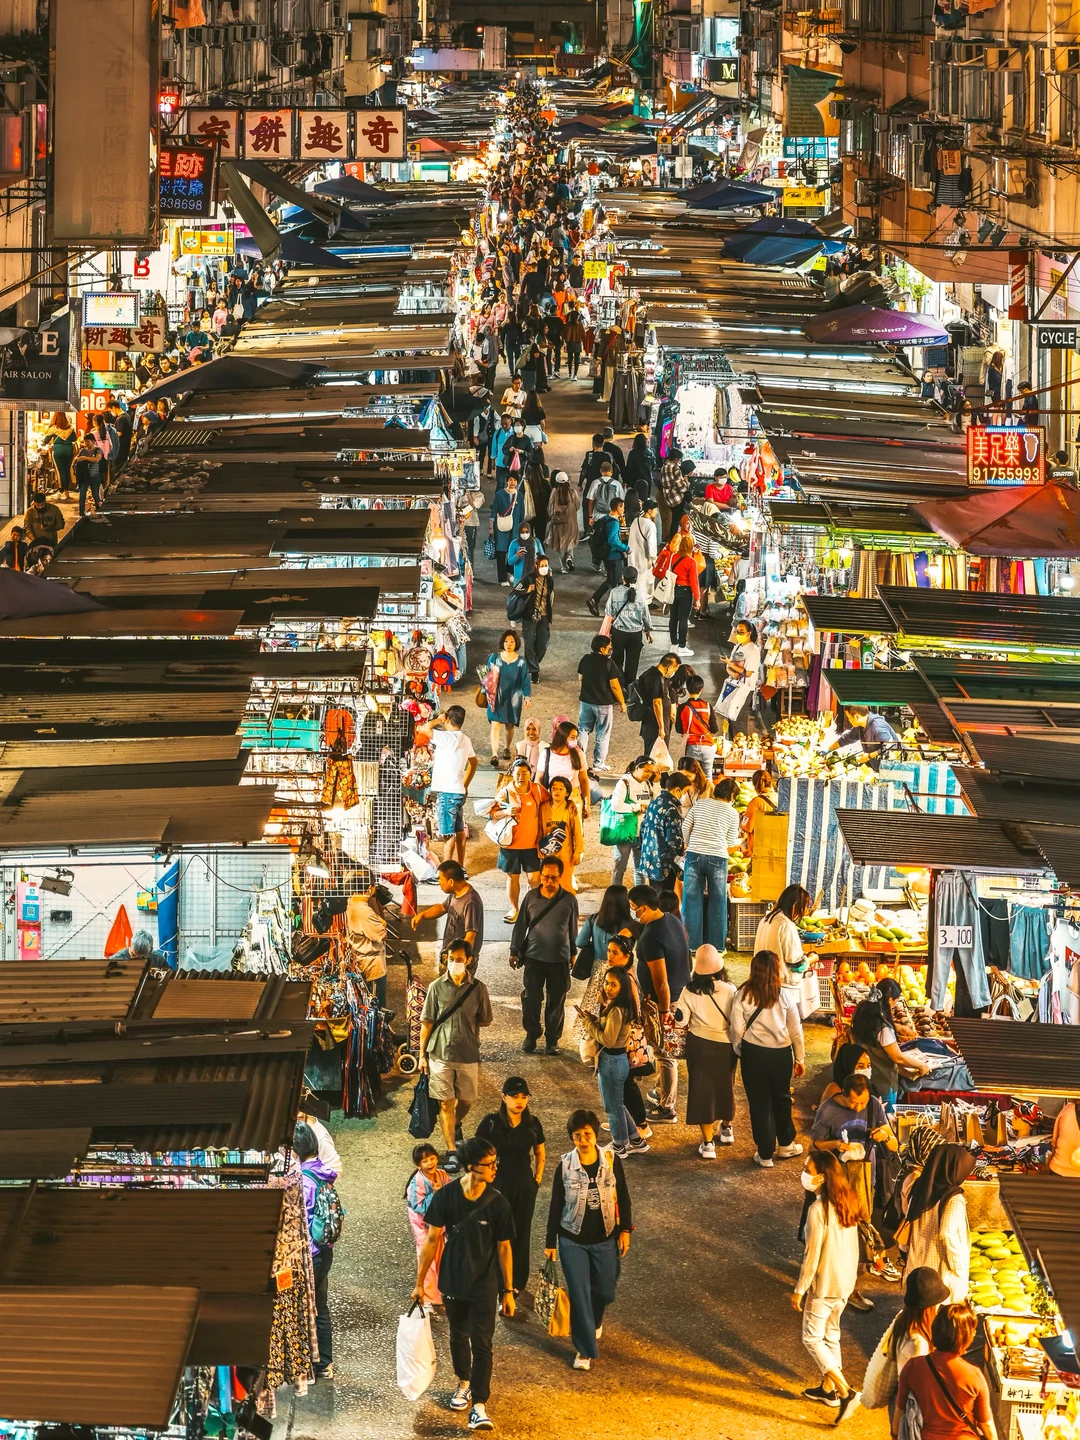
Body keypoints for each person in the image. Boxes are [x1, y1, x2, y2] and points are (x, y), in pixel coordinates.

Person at [413, 1135, 516, 1432]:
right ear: (472, 1167)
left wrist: (507, 1291)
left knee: (483, 1344)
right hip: (453, 1282)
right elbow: (431, 1240)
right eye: (489, 1163)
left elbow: (505, 1248)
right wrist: (420, 1284)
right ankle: (464, 1381)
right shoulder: (446, 1198)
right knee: (459, 1337)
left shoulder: (498, 1203)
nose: (495, 1168)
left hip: (485, 1286)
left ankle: (479, 1405)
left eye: (495, 1162)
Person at [544, 1108, 633, 1371]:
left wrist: (626, 1229)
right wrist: (550, 1243)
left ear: (595, 1134)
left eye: (587, 1134)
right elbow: (555, 1205)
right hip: (572, 1240)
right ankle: (584, 1350)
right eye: (577, 1135)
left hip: (606, 1238)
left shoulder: (611, 1159)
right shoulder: (565, 1166)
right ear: (571, 1138)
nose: (583, 1140)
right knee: (580, 1294)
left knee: (605, 1290)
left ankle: (593, 1320)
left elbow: (624, 1195)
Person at [793, 1151, 866, 1423]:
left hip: (824, 1284)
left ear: (822, 1177)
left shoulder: (817, 1210)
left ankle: (846, 1391)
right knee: (831, 1334)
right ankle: (828, 1390)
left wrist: (800, 1289)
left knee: (812, 1337)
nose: (805, 1173)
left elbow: (812, 1255)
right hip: (844, 1283)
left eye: (808, 1169)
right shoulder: (848, 1202)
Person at [419, 939, 494, 1173]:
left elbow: (486, 1018)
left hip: (468, 1053)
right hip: (440, 1053)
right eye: (450, 959)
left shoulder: (478, 989)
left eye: (459, 959)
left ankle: (456, 1124)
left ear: (469, 960)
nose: (454, 963)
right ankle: (452, 1149)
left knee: (467, 1099)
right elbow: (427, 1023)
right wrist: (422, 1055)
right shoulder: (436, 987)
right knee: (445, 1102)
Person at [731, 949, 805, 1168]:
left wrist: (739, 1050)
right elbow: (796, 1031)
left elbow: (736, 1029)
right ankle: (785, 1144)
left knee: (759, 1102)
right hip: (781, 1054)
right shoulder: (784, 995)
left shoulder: (742, 993)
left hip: (753, 1054)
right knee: (781, 1098)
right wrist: (799, 1058)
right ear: (776, 970)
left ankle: (765, 1154)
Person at [475, 1078, 546, 1296]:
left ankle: (516, 1281)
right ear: (503, 1097)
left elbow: (540, 1153)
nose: (520, 1101)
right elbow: (475, 1150)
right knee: (496, 1232)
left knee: (521, 1232)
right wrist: (480, 1181)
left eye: (524, 1097)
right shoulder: (491, 1122)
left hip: (524, 1185)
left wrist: (537, 1180)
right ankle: (494, 1279)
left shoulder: (533, 1123)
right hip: (497, 1185)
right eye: (515, 1096)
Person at [629, 883, 691, 1124]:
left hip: (665, 1001)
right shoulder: (672, 920)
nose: (634, 913)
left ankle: (667, 1108)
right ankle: (661, 1090)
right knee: (661, 1050)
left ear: (644, 908)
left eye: (635, 909)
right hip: (680, 993)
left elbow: (660, 981)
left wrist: (664, 1011)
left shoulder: (650, 937)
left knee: (665, 1055)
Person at [574, 965, 650, 1159]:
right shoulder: (617, 1007)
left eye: (613, 984)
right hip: (617, 1061)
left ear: (622, 986)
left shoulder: (617, 1011)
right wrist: (596, 1016)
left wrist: (588, 1023)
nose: (608, 987)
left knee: (612, 1107)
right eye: (606, 983)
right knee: (618, 1103)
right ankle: (635, 1140)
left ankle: (619, 1146)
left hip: (612, 1062)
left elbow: (607, 1039)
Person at [893, 1303, 998, 1440]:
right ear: (966, 1337)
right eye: (972, 1331)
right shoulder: (974, 1376)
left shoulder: (913, 1367)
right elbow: (985, 1424)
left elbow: (899, 1409)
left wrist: (895, 1434)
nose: (973, 1334)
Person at [673, 944, 737, 1158]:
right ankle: (726, 1129)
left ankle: (708, 1143)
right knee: (726, 1086)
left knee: (702, 1091)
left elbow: (680, 1022)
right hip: (725, 1045)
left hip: (699, 1046)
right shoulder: (730, 990)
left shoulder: (689, 990)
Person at [510, 855, 579, 1055]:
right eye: (546, 877)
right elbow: (521, 925)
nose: (549, 882)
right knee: (531, 999)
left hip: (560, 959)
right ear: (540, 875)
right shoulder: (531, 897)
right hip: (534, 958)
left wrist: (573, 953)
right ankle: (532, 1034)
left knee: (556, 1002)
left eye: (554, 878)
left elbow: (573, 930)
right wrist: (514, 951)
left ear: (560, 877)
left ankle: (552, 1040)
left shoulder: (569, 900)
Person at [862, 1268, 950, 1417]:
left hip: (900, 1403)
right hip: (910, 1410)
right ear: (929, 1308)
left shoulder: (904, 1318)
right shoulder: (917, 1344)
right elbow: (918, 1388)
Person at [902, 1144, 976, 1302]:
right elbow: (947, 1233)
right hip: (942, 1274)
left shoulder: (920, 1186)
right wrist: (959, 1265)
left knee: (918, 1317)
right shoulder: (954, 1198)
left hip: (918, 1267)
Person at [295, 1120, 339, 1380]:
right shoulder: (323, 1172)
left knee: (304, 1307)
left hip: (308, 1254)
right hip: (325, 1250)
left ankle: (307, 1362)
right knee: (321, 1307)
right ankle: (324, 1363)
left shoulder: (302, 1181)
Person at [681, 776, 742, 952]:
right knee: (718, 901)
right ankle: (716, 946)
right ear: (731, 795)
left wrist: (687, 845)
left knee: (691, 900)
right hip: (717, 858)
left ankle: (691, 945)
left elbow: (686, 827)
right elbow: (730, 842)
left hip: (694, 855)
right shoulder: (732, 813)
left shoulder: (701, 804)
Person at [413, 860, 485, 974]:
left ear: (451, 881)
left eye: (441, 879)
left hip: (459, 959)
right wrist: (422, 915)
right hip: (450, 954)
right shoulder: (455, 893)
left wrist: (459, 962)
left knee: (456, 991)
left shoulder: (471, 902)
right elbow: (442, 907)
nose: (439, 883)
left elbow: (471, 936)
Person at [427, 706, 478, 866]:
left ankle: (445, 871)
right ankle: (460, 867)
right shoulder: (466, 739)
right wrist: (465, 784)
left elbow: (424, 728)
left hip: (447, 793)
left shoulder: (446, 738)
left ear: (448, 719)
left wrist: (439, 719)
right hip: (458, 792)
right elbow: (474, 762)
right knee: (459, 832)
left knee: (448, 835)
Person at [406, 1143, 450, 1305]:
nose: (430, 1163)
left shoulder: (443, 1175)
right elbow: (419, 1206)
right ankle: (431, 1297)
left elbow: (450, 1194)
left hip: (439, 1222)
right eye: (425, 1161)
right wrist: (437, 1194)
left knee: (440, 1254)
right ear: (418, 1165)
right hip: (423, 1225)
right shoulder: (416, 1183)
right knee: (427, 1259)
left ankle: (441, 1290)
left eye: (432, 1158)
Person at [576, 634, 627, 774]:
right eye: (609, 648)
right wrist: (622, 702)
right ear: (603, 648)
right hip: (603, 704)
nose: (610, 650)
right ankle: (598, 764)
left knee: (583, 730)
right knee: (603, 733)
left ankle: (579, 760)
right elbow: (615, 685)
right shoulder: (608, 663)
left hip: (586, 701)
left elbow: (580, 678)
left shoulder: (585, 659)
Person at [484, 629, 531, 767]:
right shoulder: (495, 658)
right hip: (496, 698)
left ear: (516, 643)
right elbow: (487, 677)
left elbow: (525, 680)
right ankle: (494, 754)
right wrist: (486, 691)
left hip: (513, 699)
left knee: (509, 725)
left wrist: (527, 696)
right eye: (506, 641)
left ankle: (507, 747)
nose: (508, 644)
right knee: (495, 725)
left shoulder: (521, 662)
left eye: (511, 641)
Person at [606, 756, 656, 886]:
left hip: (641, 832)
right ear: (637, 767)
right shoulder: (624, 782)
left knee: (640, 869)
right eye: (646, 771)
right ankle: (616, 898)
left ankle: (639, 897)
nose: (649, 774)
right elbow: (615, 805)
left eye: (651, 772)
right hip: (625, 831)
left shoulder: (647, 783)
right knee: (620, 867)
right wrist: (638, 807)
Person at [638, 771, 691, 892]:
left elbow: (643, 828)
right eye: (685, 791)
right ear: (677, 790)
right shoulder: (671, 809)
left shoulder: (655, 802)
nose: (684, 795)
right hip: (664, 864)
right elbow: (673, 841)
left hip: (650, 858)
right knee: (664, 898)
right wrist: (682, 848)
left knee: (654, 893)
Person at [344, 870, 389, 1007]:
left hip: (360, 961)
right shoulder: (364, 912)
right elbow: (382, 935)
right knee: (376, 1008)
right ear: (370, 888)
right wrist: (382, 923)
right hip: (372, 966)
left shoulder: (351, 902)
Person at [754, 885, 814, 980]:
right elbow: (797, 966)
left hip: (762, 979)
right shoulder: (787, 925)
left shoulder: (766, 919)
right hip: (781, 985)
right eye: (805, 907)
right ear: (795, 906)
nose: (805, 912)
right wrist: (811, 959)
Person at [604, 566, 652, 684]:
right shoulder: (641, 594)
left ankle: (618, 687)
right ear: (636, 578)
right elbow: (645, 615)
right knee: (632, 663)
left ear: (623, 578)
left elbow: (609, 611)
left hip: (619, 633)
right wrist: (648, 631)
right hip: (635, 635)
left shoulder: (615, 592)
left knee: (617, 661)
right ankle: (629, 689)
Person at [535, 719, 590, 818]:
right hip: (552, 799)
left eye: (576, 738)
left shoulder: (578, 754)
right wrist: (544, 799)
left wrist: (587, 804)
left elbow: (584, 780)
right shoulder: (546, 754)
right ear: (563, 737)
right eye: (572, 737)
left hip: (573, 799)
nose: (575, 741)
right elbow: (538, 779)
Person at [538, 776, 584, 892]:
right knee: (549, 886)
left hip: (566, 856)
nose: (556, 791)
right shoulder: (543, 807)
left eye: (560, 789)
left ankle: (569, 909)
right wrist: (538, 846)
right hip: (547, 855)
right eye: (554, 788)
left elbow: (577, 832)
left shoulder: (569, 808)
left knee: (565, 886)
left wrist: (578, 851)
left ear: (567, 793)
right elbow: (539, 829)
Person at [587, 498, 630, 615]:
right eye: (623, 507)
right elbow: (612, 540)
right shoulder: (615, 523)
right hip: (614, 556)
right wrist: (626, 548)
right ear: (618, 507)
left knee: (612, 581)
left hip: (606, 556)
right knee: (614, 582)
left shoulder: (605, 519)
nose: (624, 509)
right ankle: (598, 600)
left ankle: (596, 600)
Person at [635, 652, 679, 757]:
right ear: (670, 667)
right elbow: (657, 703)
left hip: (648, 722)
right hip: (655, 724)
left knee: (649, 753)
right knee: (656, 757)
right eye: (674, 670)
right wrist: (661, 727)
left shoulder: (647, 673)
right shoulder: (657, 678)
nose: (673, 673)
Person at [723, 619, 762, 736]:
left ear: (749, 633)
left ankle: (739, 745)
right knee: (731, 716)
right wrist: (732, 672)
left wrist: (730, 665)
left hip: (744, 689)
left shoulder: (753, 650)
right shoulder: (738, 646)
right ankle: (732, 743)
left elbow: (748, 673)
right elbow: (729, 665)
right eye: (737, 632)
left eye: (741, 632)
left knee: (738, 718)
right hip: (733, 686)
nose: (738, 634)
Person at [520, 553, 554, 682]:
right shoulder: (527, 578)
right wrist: (526, 591)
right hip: (529, 616)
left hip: (544, 616)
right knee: (529, 643)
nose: (544, 568)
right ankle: (534, 671)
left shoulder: (549, 580)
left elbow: (550, 596)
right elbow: (515, 592)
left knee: (542, 643)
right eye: (542, 565)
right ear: (536, 565)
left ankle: (531, 664)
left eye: (546, 565)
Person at [667, 533, 701, 656]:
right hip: (685, 592)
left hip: (674, 590)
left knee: (673, 618)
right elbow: (694, 582)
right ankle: (682, 646)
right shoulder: (691, 562)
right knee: (683, 619)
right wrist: (697, 599)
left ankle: (674, 644)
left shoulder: (673, 557)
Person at [676, 675, 720, 768]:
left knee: (691, 777)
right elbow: (715, 729)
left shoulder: (682, 707)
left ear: (687, 689)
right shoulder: (707, 706)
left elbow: (678, 729)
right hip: (707, 747)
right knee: (708, 778)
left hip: (691, 747)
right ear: (701, 689)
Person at [832, 706, 900, 766]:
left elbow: (890, 747)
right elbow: (847, 738)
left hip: (894, 769)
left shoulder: (878, 727)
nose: (849, 720)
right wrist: (829, 749)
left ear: (856, 716)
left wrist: (869, 756)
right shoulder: (861, 725)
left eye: (849, 717)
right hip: (880, 769)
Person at [490, 474, 524, 585]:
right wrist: (491, 527)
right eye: (510, 480)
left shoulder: (520, 496)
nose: (512, 482)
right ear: (507, 481)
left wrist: (522, 528)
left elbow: (522, 513)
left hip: (514, 528)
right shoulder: (500, 494)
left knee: (512, 550)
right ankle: (502, 578)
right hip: (501, 527)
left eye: (514, 480)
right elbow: (494, 510)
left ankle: (509, 570)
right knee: (501, 551)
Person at [546, 470, 581, 572]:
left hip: (558, 523)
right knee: (570, 541)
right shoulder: (573, 493)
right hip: (571, 522)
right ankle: (569, 557)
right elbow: (577, 505)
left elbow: (550, 508)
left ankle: (563, 567)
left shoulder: (554, 493)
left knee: (561, 544)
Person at [628, 499, 659, 603]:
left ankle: (633, 599)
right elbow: (652, 544)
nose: (657, 512)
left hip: (633, 556)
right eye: (655, 510)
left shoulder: (635, 520)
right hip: (644, 557)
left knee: (634, 580)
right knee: (644, 581)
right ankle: (643, 602)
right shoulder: (650, 525)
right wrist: (653, 558)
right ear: (649, 511)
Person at [741, 769, 778, 854]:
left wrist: (742, 818)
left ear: (754, 785)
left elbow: (747, 826)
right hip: (777, 846)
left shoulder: (756, 802)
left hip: (760, 848)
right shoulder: (780, 798)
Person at [41, 412, 75, 498]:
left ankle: (61, 491)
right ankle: (66, 491)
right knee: (67, 470)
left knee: (60, 471)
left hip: (58, 450)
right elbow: (74, 439)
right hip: (69, 450)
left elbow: (46, 441)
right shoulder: (71, 428)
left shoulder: (53, 428)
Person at [507, 521, 545, 586]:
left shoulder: (536, 542)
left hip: (535, 575)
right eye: (522, 532)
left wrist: (547, 569)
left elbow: (543, 558)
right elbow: (510, 562)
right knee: (519, 595)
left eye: (527, 532)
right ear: (519, 532)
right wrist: (517, 555)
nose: (525, 534)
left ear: (530, 532)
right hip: (519, 578)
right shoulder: (514, 543)